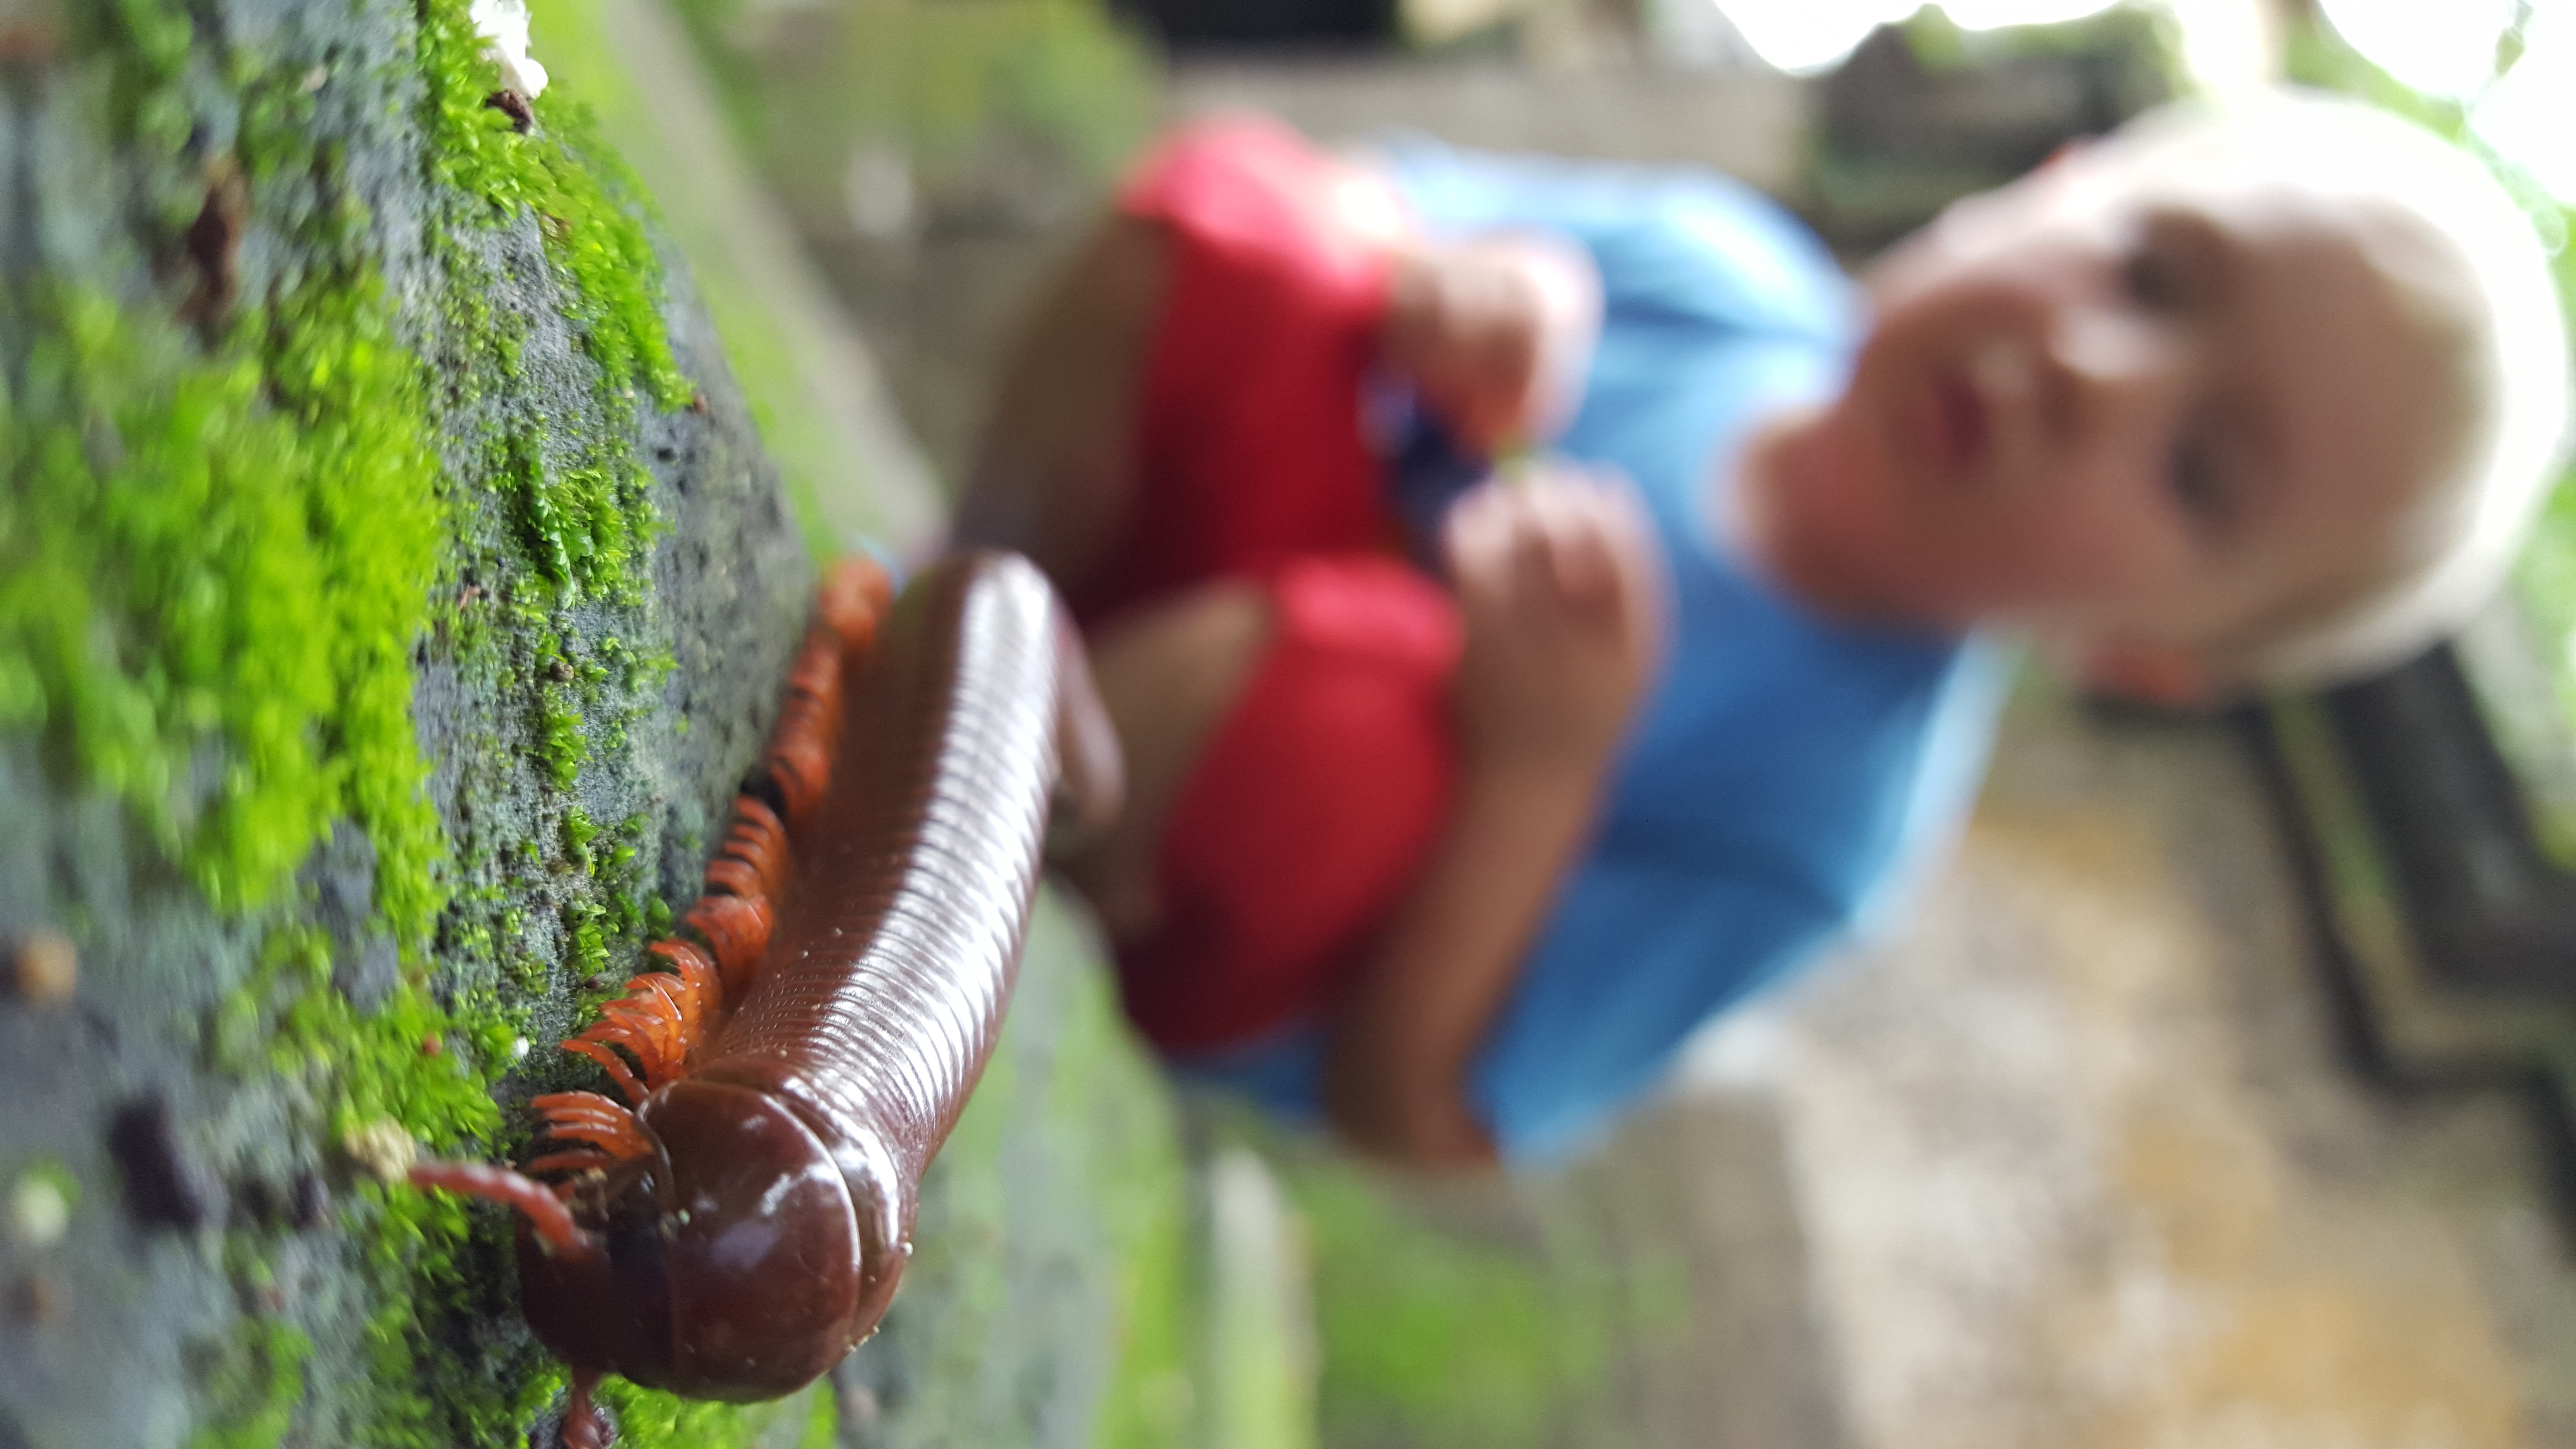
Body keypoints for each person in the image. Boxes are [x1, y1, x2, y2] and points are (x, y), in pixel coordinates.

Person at [957, 93, 2571, 1169]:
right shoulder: (1724, 269)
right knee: (1248, 223)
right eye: (2152, 272)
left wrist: (1534, 772)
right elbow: (1353, 211)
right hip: (1132, 577)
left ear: (2152, 657)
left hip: (1202, 860)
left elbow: (1421, 1110)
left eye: (2204, 471)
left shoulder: (1832, 820)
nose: (2096, 371)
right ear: (2044, 186)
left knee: (1359, 714)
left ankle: (943, 856)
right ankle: (943, 615)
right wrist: (1459, 285)